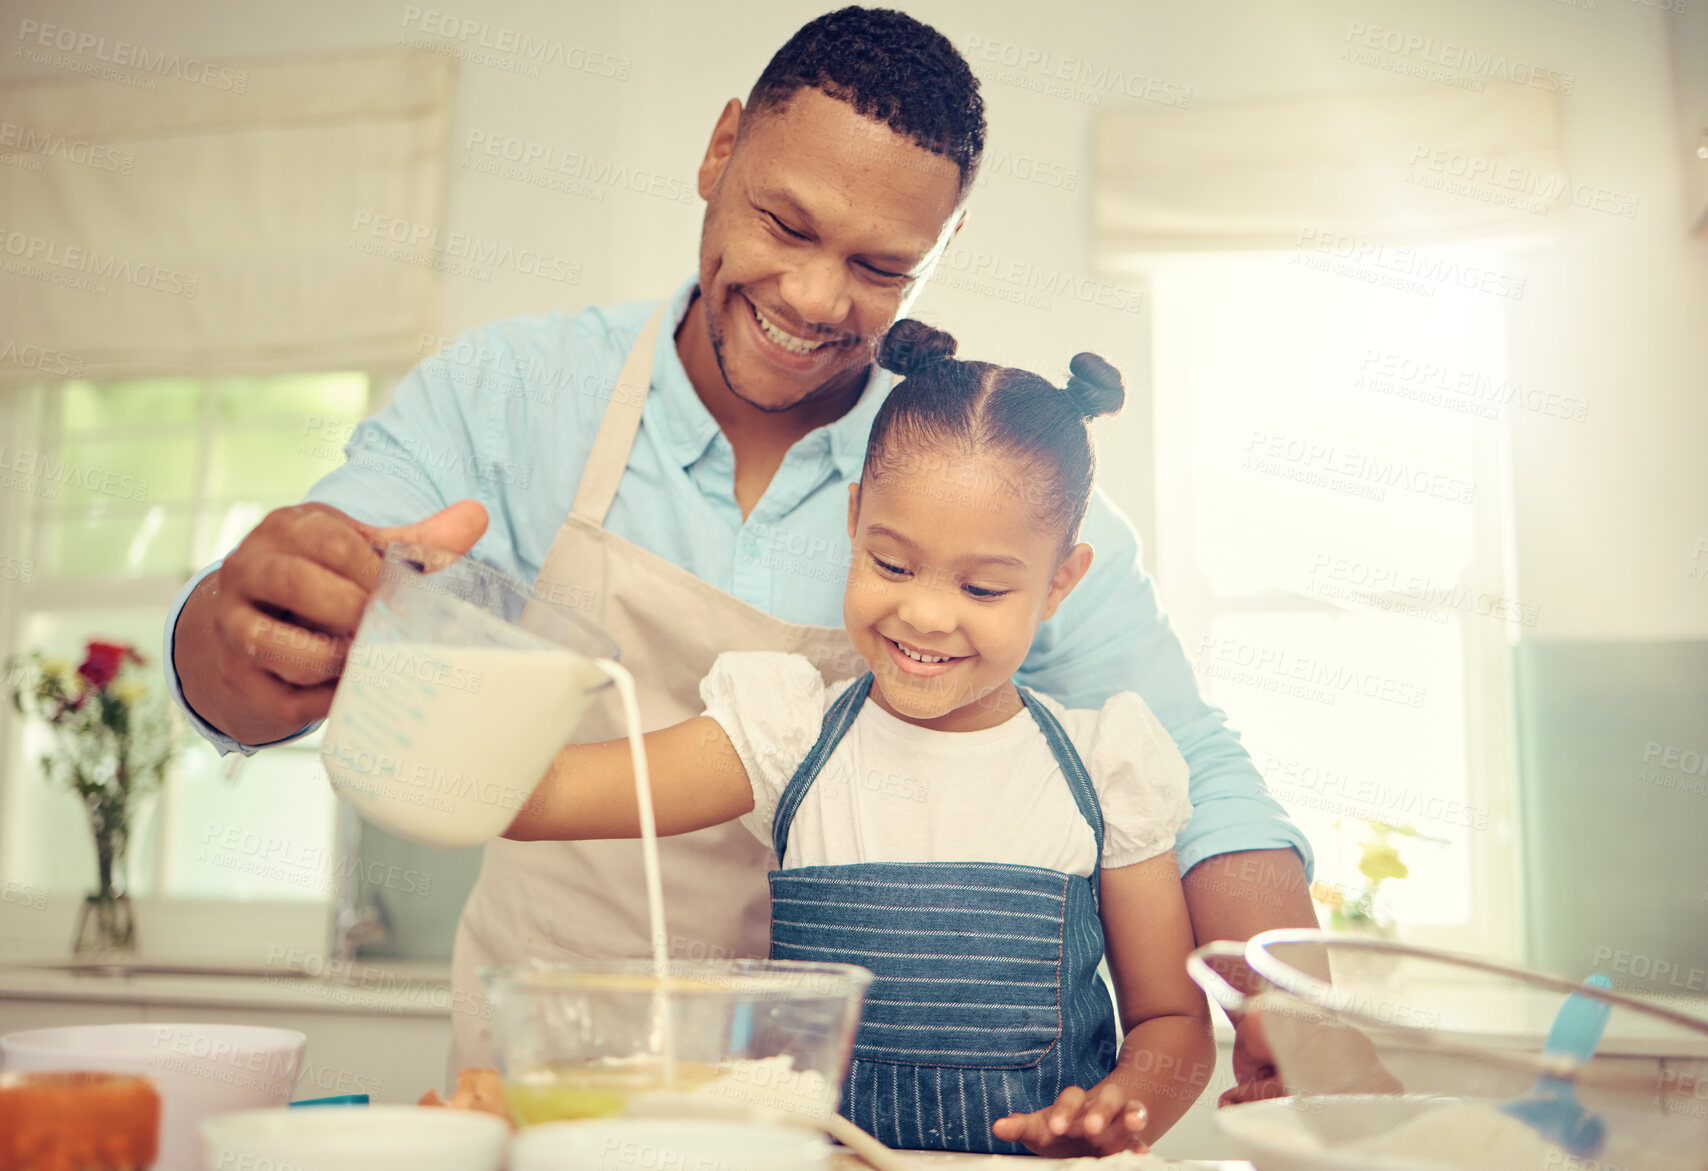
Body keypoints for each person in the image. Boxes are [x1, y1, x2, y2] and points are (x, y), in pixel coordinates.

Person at [165, 6, 1314, 1099]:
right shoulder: (510, 397)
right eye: (786, 224)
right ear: (721, 149)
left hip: (826, 1108)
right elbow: (276, 645)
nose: (814, 297)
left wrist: (1290, 989)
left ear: (943, 247)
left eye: (880, 268)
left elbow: (1190, 765)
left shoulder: (989, 493)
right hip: (547, 1077)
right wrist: (258, 628)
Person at [507, 320, 1214, 1156]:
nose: (924, 613)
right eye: (892, 565)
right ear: (854, 520)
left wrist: (1110, 1116)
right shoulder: (786, 733)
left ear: (1061, 580)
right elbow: (538, 795)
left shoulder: (1105, 767)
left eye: (983, 586)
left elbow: (1173, 1022)